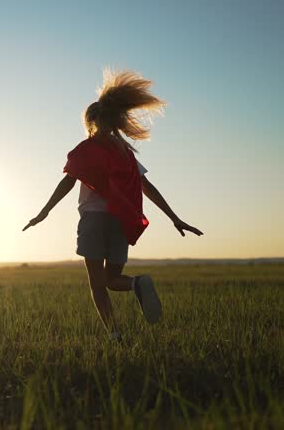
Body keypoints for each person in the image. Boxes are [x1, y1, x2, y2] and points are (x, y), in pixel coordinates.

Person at [22, 70, 202, 339]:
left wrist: (43, 212)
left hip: (94, 220)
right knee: (113, 279)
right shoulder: (125, 154)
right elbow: (148, 187)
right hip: (121, 220)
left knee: (97, 284)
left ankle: (114, 334)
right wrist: (174, 217)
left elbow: (67, 182)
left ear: (91, 122)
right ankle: (137, 283)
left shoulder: (86, 149)